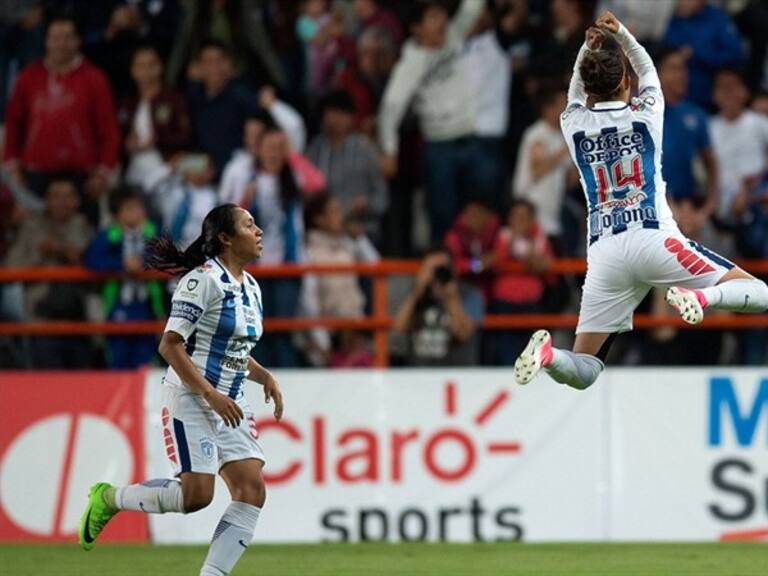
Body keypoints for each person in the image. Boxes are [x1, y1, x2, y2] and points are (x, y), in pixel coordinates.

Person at [514, 12, 768, 390]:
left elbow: (574, 91)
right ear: (627, 83)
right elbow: (648, 67)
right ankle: (701, 297)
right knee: (760, 294)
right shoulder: (647, 114)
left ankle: (549, 356)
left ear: (588, 88)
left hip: (606, 253)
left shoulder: (573, 124)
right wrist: (622, 34)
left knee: (585, 369)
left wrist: (588, 47)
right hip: (653, 238)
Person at [78, 204, 284, 576]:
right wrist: (209, 394)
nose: (259, 232)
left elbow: (233, 349)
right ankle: (108, 498)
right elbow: (170, 345)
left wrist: (262, 375)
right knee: (196, 497)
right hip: (192, 397)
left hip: (230, 402)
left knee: (251, 489)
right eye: (249, 225)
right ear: (225, 238)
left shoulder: (251, 286)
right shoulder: (200, 281)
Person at [378, 0, 484, 245]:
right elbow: (391, 107)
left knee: (478, 216)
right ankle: (443, 275)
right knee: (444, 220)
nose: (442, 23)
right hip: (439, 148)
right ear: (417, 27)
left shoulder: (453, 37)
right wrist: (389, 150)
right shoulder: (410, 63)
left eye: (442, 16)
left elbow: (472, 8)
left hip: (470, 139)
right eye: (433, 18)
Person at [3, 15, 119, 224]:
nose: (61, 44)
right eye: (55, 37)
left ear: (78, 40)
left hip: (83, 176)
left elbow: (109, 129)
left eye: (67, 37)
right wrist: (12, 164)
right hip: (35, 175)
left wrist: (103, 172)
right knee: (37, 241)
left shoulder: (95, 78)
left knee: (81, 243)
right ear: (46, 40)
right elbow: (13, 123)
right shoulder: (28, 77)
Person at [84, 187, 164, 369]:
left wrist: (143, 263)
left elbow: (167, 257)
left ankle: (143, 397)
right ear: (116, 214)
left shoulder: (154, 233)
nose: (135, 213)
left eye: (138, 208)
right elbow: (92, 261)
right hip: (117, 305)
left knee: (146, 360)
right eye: (128, 209)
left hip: (148, 306)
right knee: (118, 359)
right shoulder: (107, 236)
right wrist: (122, 264)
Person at [299, 192, 379, 366]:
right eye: (334, 212)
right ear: (319, 219)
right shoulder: (308, 252)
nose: (340, 217)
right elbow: (309, 301)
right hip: (331, 338)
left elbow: (376, 267)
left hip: (356, 332)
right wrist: (322, 343)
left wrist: (360, 239)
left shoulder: (348, 244)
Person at [306, 90, 388, 244]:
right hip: (323, 233)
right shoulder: (314, 151)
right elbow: (307, 196)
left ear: (351, 117)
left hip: (362, 231)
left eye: (341, 113)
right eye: (330, 113)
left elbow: (382, 200)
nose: (335, 119)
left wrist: (366, 204)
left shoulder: (366, 150)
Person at [392, 249, 483, 367]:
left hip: (454, 374)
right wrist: (417, 291)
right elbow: (398, 328)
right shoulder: (417, 295)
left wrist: (452, 298)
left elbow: (463, 334)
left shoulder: (469, 294)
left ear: (453, 269)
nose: (437, 274)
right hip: (419, 374)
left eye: (442, 268)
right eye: (432, 269)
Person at [118, 44, 191, 190]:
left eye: (151, 64)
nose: (146, 70)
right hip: (134, 170)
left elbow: (186, 136)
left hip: (166, 168)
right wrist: (127, 143)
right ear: (133, 70)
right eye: (140, 65)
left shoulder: (173, 99)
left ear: (160, 67)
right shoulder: (129, 102)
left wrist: (157, 139)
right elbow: (116, 135)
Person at [656, 46, 718, 214]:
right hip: (652, 208)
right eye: (674, 69)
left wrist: (707, 209)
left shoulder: (696, 115)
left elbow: (711, 165)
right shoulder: (641, 116)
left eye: (684, 69)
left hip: (689, 206)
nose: (682, 75)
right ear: (656, 74)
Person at [512, 87, 572, 242]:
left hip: (552, 215)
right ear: (548, 108)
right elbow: (537, 170)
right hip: (530, 215)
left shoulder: (562, 138)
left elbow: (569, 182)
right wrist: (567, 150)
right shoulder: (537, 134)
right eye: (563, 105)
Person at [662, 0, 744, 109]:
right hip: (678, 98)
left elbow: (735, 54)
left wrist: (698, 54)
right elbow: (666, 51)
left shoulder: (717, 19)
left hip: (709, 97)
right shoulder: (675, 19)